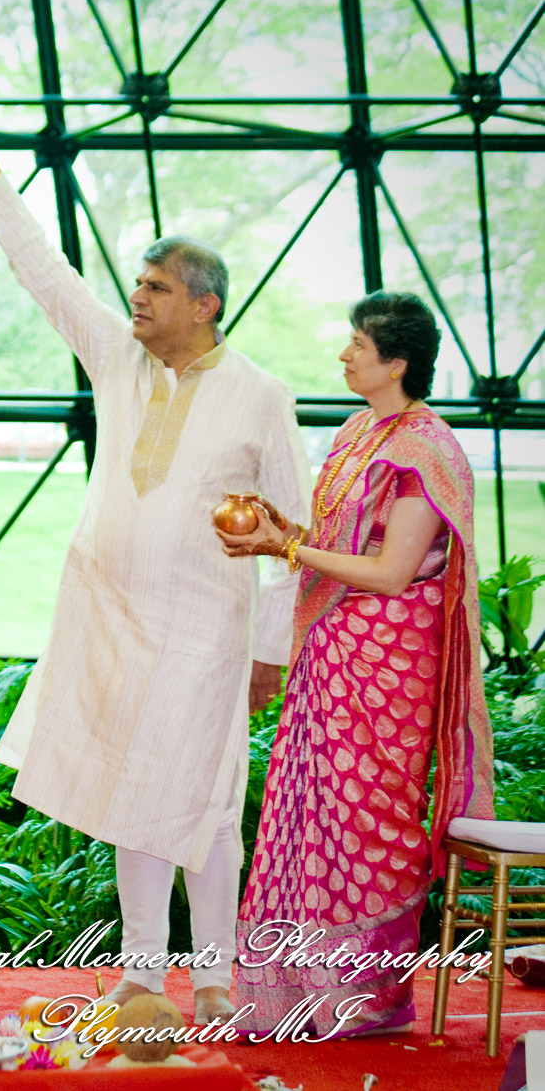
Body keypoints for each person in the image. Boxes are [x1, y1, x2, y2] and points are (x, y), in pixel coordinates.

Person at [0, 80, 311, 1023]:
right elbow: (41, 268)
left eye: (156, 288)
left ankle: (215, 975)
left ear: (205, 305)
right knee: (127, 794)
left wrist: (272, 647)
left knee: (205, 801)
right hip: (108, 617)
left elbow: (293, 534)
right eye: (137, 284)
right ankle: (145, 973)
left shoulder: (261, 394)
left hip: (204, 632)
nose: (135, 298)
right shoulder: (117, 354)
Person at [218, 291, 494, 1037]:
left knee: (367, 819)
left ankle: (366, 996)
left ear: (396, 361)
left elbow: (393, 571)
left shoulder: (422, 449)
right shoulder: (358, 430)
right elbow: (342, 543)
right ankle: (299, 990)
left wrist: (283, 549)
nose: (344, 354)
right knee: (312, 815)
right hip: (332, 650)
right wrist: (289, 531)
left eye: (358, 346)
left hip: (385, 663)